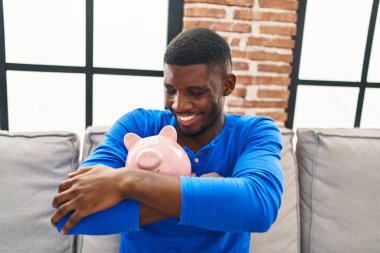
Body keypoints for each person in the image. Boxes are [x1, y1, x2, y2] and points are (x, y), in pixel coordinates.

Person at [51, 27, 284, 252]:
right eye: (171, 90)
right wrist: (205, 190)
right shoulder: (137, 125)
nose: (178, 105)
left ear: (227, 85)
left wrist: (126, 182)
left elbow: (259, 207)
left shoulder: (255, 132)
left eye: (196, 92)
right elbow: (70, 216)